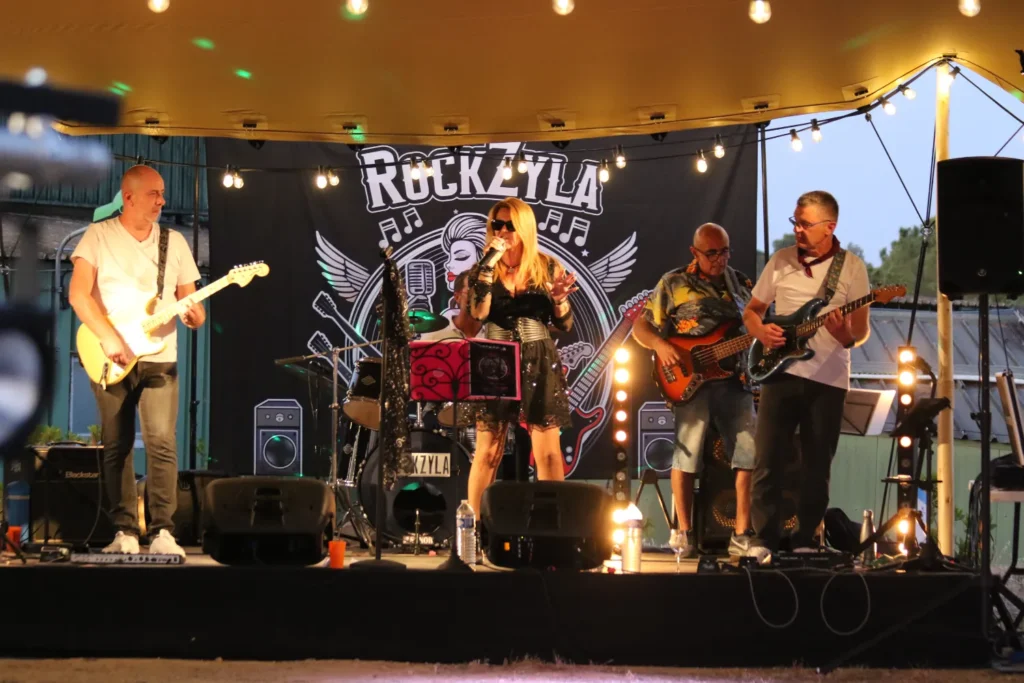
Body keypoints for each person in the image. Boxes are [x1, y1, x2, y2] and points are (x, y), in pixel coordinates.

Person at [69, 165, 204, 558]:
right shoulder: (98, 236)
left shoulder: (174, 242)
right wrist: (108, 336)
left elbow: (192, 304)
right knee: (117, 445)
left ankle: (163, 531)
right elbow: (78, 295)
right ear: (128, 197)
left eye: (162, 193)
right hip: (109, 356)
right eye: (153, 193)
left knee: (162, 442)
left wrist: (194, 315)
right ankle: (124, 530)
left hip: (160, 358)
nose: (162, 200)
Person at [743, 191, 870, 559]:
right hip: (779, 373)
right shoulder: (780, 260)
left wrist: (845, 335)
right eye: (795, 222)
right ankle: (763, 540)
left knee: (817, 465)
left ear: (830, 227)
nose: (798, 229)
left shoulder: (852, 268)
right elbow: (752, 311)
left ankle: (804, 540)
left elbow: (861, 331)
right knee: (768, 459)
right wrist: (761, 331)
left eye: (805, 224)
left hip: (828, 379)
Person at [632, 223, 757, 559]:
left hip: (737, 380)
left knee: (748, 453)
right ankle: (683, 534)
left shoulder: (742, 284)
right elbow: (641, 326)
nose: (719, 259)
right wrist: (661, 346)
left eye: (725, 251)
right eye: (711, 253)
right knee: (687, 455)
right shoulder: (673, 282)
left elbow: (758, 327)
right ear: (695, 252)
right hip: (690, 382)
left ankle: (742, 534)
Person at [465, 197, 577, 519]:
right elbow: (478, 314)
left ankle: (553, 526)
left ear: (524, 228)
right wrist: (488, 265)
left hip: (538, 358)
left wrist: (558, 300)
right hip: (495, 359)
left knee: (548, 453)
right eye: (496, 224)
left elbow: (565, 325)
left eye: (509, 225)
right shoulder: (483, 269)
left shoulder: (547, 266)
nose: (502, 231)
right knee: (488, 451)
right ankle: (474, 528)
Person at [418, 271, 481, 341]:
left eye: (484, 292)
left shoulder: (490, 332)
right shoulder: (434, 335)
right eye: (471, 292)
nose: (479, 297)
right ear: (457, 297)